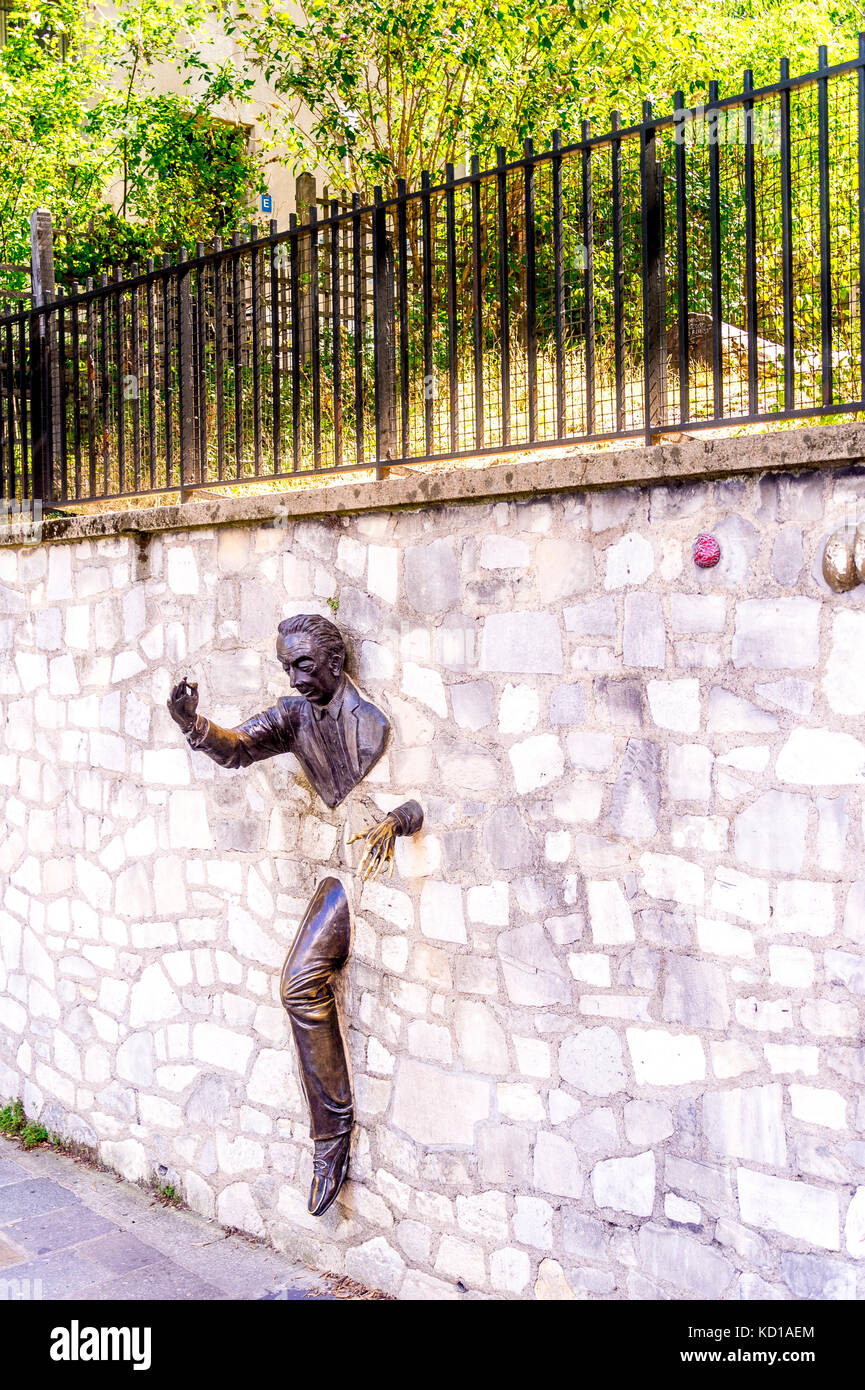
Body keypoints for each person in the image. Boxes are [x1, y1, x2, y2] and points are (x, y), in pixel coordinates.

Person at [167, 613, 422, 1215]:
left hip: (366, 873)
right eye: (286, 665)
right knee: (296, 985)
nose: (294, 675)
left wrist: (399, 818)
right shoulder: (293, 715)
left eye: (303, 664)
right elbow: (238, 747)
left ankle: (331, 1139)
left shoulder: (373, 722)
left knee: (298, 986)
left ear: (336, 662)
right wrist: (194, 726)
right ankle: (331, 1137)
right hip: (336, 874)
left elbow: (418, 800)